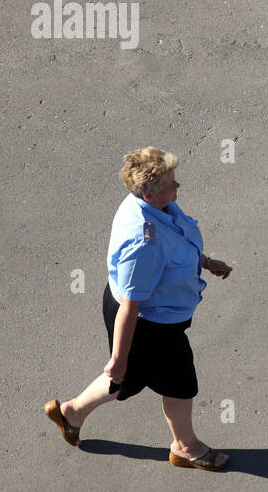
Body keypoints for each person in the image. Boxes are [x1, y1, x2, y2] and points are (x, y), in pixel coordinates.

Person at [44, 147, 234, 471]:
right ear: (148, 192)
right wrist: (117, 359)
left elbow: (175, 244)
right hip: (149, 324)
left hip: (152, 317)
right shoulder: (142, 243)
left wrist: (204, 262)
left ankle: (71, 414)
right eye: (171, 184)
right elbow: (130, 306)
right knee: (177, 382)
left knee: (125, 383)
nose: (178, 187)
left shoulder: (156, 207)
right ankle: (185, 447)